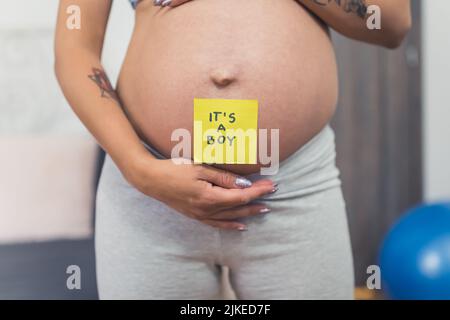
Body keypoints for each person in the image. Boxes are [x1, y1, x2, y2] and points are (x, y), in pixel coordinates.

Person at [55, 0, 411, 299]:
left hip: (292, 190)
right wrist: (139, 170)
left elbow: (391, 23)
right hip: (152, 196)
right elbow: (74, 50)